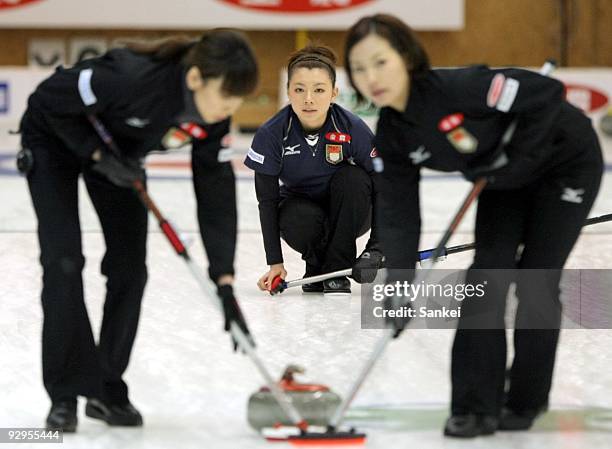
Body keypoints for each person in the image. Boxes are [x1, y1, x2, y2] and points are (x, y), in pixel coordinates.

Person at [345, 14, 603, 438]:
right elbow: (400, 216)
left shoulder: (459, 89)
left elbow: (547, 91)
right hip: (503, 178)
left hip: (565, 165)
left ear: (407, 58)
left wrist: (516, 159)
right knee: (486, 275)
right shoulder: (392, 135)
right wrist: (400, 286)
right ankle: (474, 404)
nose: (370, 77)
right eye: (358, 68)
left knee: (536, 279)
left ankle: (525, 399)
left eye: (380, 62)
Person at [18, 30, 258, 433]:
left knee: (130, 267)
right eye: (225, 98)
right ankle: (64, 393)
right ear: (196, 78)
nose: (227, 110)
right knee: (63, 262)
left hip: (119, 154)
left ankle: (105, 386)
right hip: (52, 140)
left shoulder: (211, 118)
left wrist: (225, 279)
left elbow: (216, 194)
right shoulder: (130, 79)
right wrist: (95, 154)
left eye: (236, 103)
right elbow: (46, 101)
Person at [244, 44, 383, 296]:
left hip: (351, 212)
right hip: (302, 216)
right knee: (292, 214)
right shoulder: (271, 134)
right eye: (299, 89)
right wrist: (275, 263)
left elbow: (385, 184)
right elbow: (266, 200)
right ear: (288, 92)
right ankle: (321, 270)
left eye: (319, 90)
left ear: (334, 93)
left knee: (353, 179)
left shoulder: (352, 127)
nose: (309, 99)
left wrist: (377, 248)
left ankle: (333, 269)